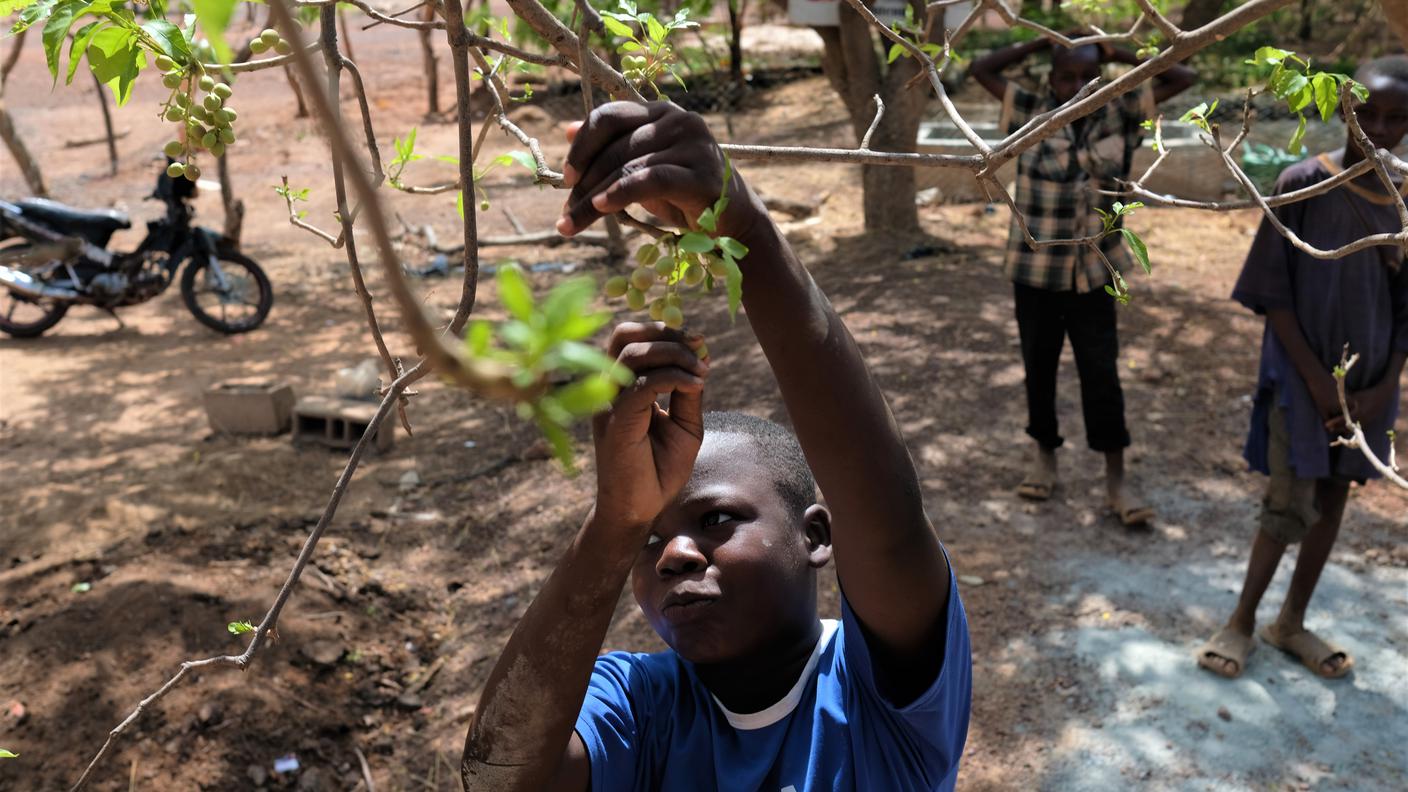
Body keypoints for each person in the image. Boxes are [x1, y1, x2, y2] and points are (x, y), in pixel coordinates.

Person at [460, 103, 972, 791]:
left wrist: (745, 226)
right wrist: (616, 521)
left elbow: (884, 509)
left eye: (716, 520)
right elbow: (498, 779)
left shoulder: (879, 693)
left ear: (817, 535)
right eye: (650, 539)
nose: (673, 553)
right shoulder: (637, 704)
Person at [1196, 55, 1408, 680]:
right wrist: (1319, 382)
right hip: (1301, 379)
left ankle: (1291, 621)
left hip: (1370, 389)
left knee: (1335, 496)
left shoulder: (1403, 202)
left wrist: (1384, 385)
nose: (1380, 127)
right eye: (1366, 112)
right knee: (1287, 503)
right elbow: (1274, 293)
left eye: (1397, 117)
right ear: (1342, 107)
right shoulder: (1302, 184)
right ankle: (1240, 621)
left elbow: (1404, 310)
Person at [968, 36, 1196, 525]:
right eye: (1066, 76)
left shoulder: (1122, 110)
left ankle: (1116, 477)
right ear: (1049, 79)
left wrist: (1116, 55)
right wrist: (1034, 42)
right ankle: (1043, 457)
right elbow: (981, 67)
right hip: (1036, 272)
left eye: (1087, 77)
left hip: (1096, 273)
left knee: (1102, 372)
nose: (1077, 87)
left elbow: (1184, 75)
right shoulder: (1030, 110)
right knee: (1040, 365)